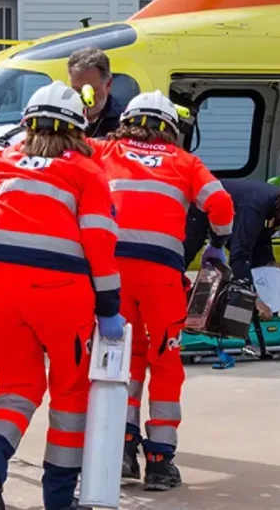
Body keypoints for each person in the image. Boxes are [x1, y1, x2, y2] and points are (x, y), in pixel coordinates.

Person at [0, 81, 123, 510]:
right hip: (59, 289)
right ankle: (57, 499)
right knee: (70, 393)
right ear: (78, 129)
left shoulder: (6, 158)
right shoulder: (87, 173)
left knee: (17, 385)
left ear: (27, 125)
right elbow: (100, 245)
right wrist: (109, 307)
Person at [89, 91, 234, 492]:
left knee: (123, 358)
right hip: (161, 277)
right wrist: (217, 244)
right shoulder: (186, 162)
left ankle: (121, 448)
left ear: (128, 120)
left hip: (111, 273)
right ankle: (159, 461)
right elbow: (220, 204)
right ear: (171, 128)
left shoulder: (102, 149)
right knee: (165, 360)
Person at [183, 178, 280, 286]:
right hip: (198, 208)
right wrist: (250, 296)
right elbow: (240, 253)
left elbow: (261, 239)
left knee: (261, 267)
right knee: (185, 253)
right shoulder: (255, 207)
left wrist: (269, 262)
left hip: (229, 215)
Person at [67, 46, 125, 138]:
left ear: (108, 84)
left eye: (90, 90)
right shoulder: (62, 119)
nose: (84, 98)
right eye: (77, 90)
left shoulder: (123, 123)